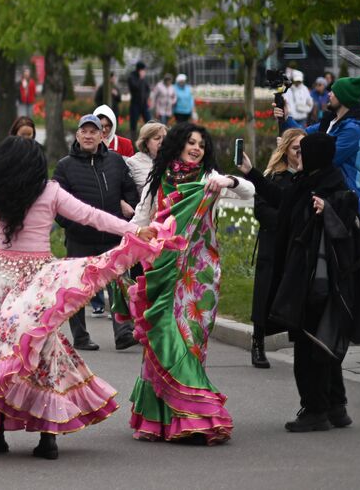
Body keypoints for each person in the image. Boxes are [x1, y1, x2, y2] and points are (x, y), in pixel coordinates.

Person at [0, 135, 165, 462]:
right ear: (36, 163)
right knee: (42, 352)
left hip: (1, 282)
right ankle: (46, 435)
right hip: (40, 284)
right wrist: (132, 231)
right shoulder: (48, 191)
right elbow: (92, 216)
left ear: (3, 164)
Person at [128, 122, 254, 443]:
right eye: (190, 142)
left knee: (192, 342)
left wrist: (230, 179)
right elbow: (138, 222)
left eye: (201, 144)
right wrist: (129, 248)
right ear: (177, 146)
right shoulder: (157, 182)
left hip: (200, 277)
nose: (196, 148)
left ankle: (190, 416)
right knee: (165, 340)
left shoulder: (209, 180)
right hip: (165, 273)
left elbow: (248, 191)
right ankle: (166, 420)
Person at [264, 132, 360, 432]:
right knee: (324, 340)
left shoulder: (325, 189)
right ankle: (336, 405)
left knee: (309, 347)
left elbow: (345, 225)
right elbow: (283, 205)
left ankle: (315, 409)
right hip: (320, 281)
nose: (298, 156)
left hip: (314, 283)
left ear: (316, 156)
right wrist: (252, 175)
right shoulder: (316, 182)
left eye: (303, 152)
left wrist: (326, 211)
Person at [53, 114, 140, 351]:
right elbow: (56, 204)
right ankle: (80, 337)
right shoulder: (65, 166)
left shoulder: (116, 161)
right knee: (77, 289)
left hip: (112, 237)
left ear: (103, 135)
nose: (89, 136)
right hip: (80, 239)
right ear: (78, 135)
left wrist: (125, 214)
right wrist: (72, 225)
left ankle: (123, 333)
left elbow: (130, 191)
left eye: (94, 132)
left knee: (119, 285)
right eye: (85, 131)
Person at [239, 127, 303, 369]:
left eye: (303, 149)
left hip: (295, 246)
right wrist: (285, 222)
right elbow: (262, 209)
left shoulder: (306, 178)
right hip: (273, 242)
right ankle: (258, 342)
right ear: (285, 150)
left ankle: (300, 343)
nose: (300, 154)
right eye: (296, 148)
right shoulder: (274, 177)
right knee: (266, 293)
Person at [277, 74, 360, 212]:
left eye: (333, 92)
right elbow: (303, 134)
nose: (329, 94)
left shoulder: (353, 130)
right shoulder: (330, 122)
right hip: (330, 193)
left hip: (348, 198)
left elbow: (327, 159)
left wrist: (295, 151)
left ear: (343, 97)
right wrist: (286, 117)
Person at [127, 61, 152, 137]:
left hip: (143, 104)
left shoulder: (144, 78)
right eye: (143, 70)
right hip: (135, 104)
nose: (144, 72)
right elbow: (135, 87)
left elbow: (148, 89)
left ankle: (149, 136)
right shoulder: (132, 77)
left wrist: (146, 97)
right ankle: (133, 138)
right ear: (139, 70)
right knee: (133, 123)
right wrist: (140, 78)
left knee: (149, 121)